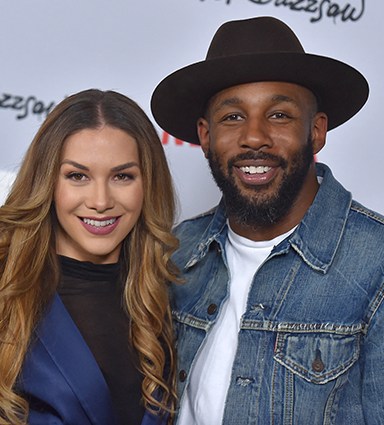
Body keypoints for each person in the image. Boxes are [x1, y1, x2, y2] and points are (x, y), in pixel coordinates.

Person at [150, 16, 384, 424]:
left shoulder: (376, 265)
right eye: (233, 118)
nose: (254, 137)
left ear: (316, 130)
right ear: (205, 135)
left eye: (278, 116)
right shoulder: (176, 252)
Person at [0, 89, 179, 425]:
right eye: (77, 176)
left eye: (122, 176)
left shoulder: (170, 297)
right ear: (48, 181)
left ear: (147, 184)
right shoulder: (6, 286)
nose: (100, 201)